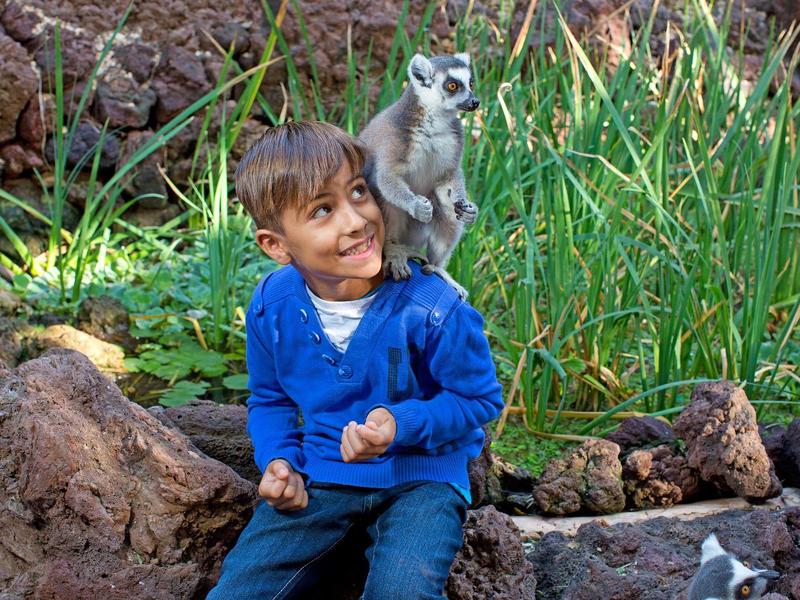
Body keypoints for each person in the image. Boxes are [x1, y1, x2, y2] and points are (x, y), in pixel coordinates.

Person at [206, 120, 503, 600]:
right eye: (322, 209)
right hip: (322, 473)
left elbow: (479, 400)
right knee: (239, 590)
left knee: (402, 592)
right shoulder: (272, 306)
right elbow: (270, 400)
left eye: (359, 191)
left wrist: (399, 423)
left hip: (421, 479)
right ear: (275, 245)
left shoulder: (431, 309)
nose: (356, 220)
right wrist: (279, 462)